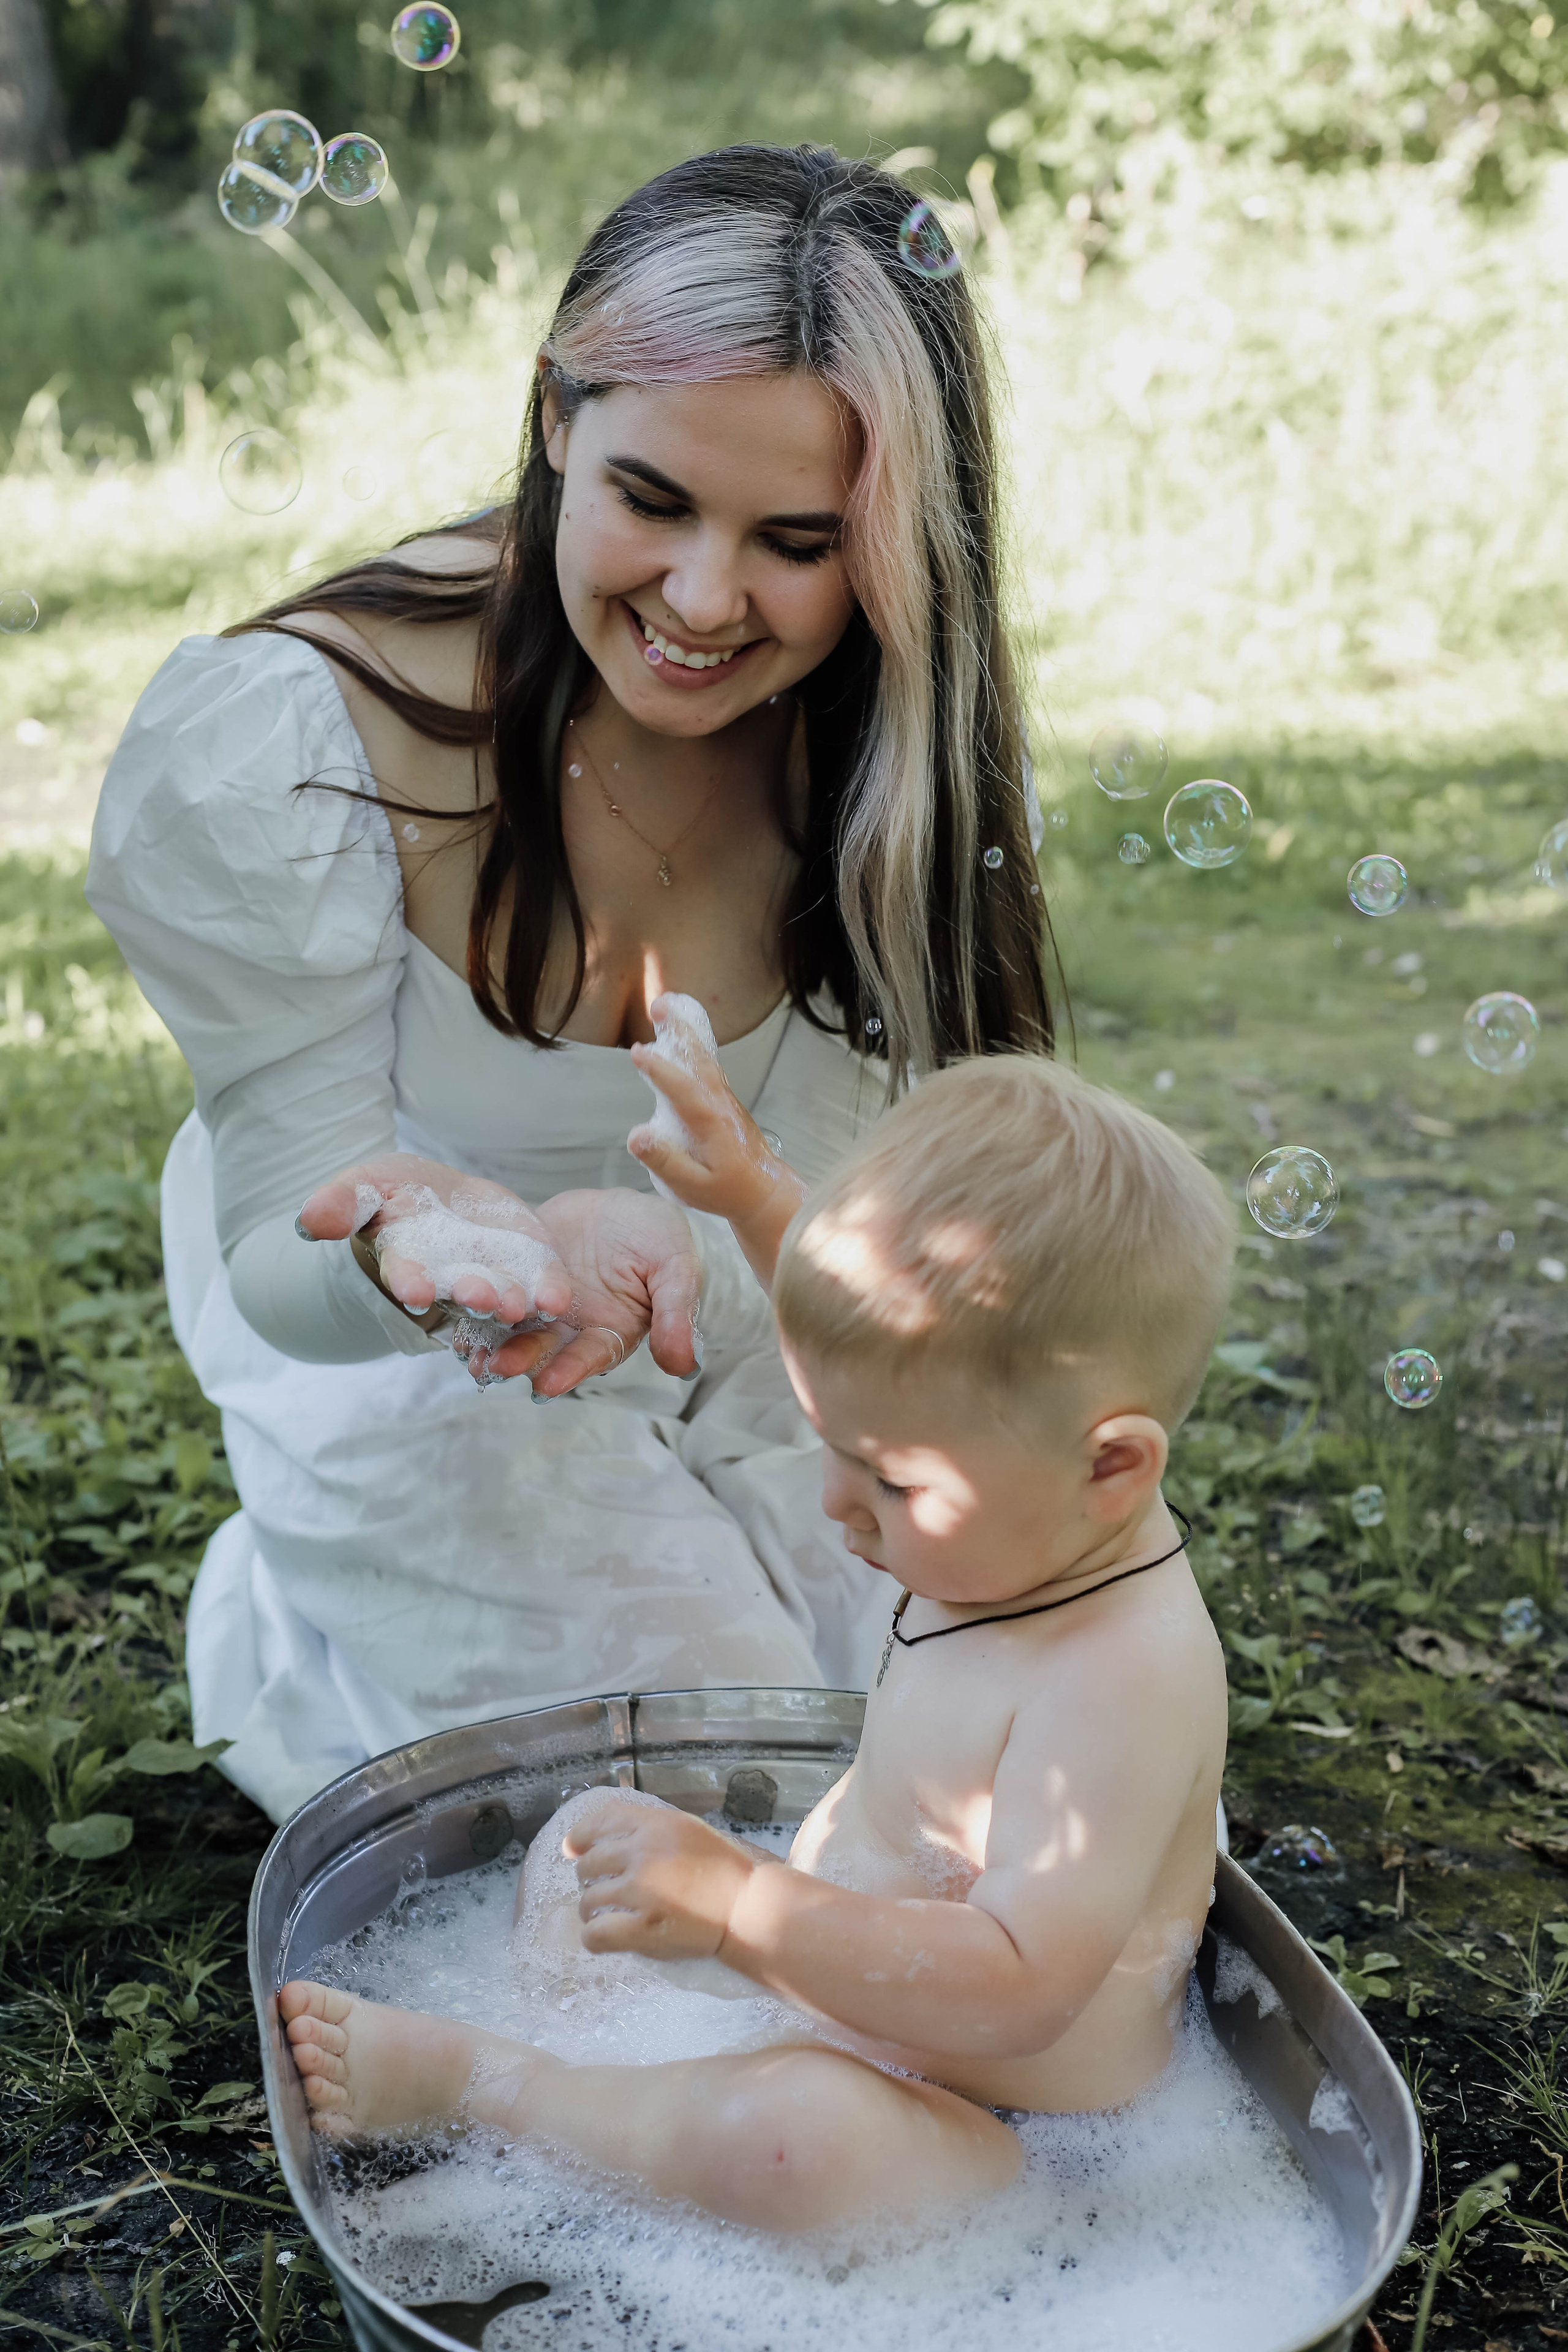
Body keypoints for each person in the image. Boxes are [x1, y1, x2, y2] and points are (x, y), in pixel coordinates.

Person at [85, 144, 1057, 1826]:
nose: (702, 603)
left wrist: (692, 1249)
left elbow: (877, 1225)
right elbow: (277, 1267)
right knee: (722, 1792)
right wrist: (415, 1245)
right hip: (422, 1357)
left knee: (1005, 1783)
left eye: (799, 541)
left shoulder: (890, 770)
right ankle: (315, 1620)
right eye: (654, 500)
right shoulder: (300, 739)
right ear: (554, 415)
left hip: (759, 1311)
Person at [279, 1055, 1234, 2231]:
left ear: (1113, 1467)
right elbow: (876, 1345)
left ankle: (503, 2087)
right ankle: (624, 2086)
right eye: (833, 1440)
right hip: (834, 1993)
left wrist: (742, 1912)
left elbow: (1020, 1988)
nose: (839, 1504)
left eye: (887, 1477)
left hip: (1004, 2127)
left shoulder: (1120, 1679)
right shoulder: (1028, 1505)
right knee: (591, 1839)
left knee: (805, 2145)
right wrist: (750, 1195)